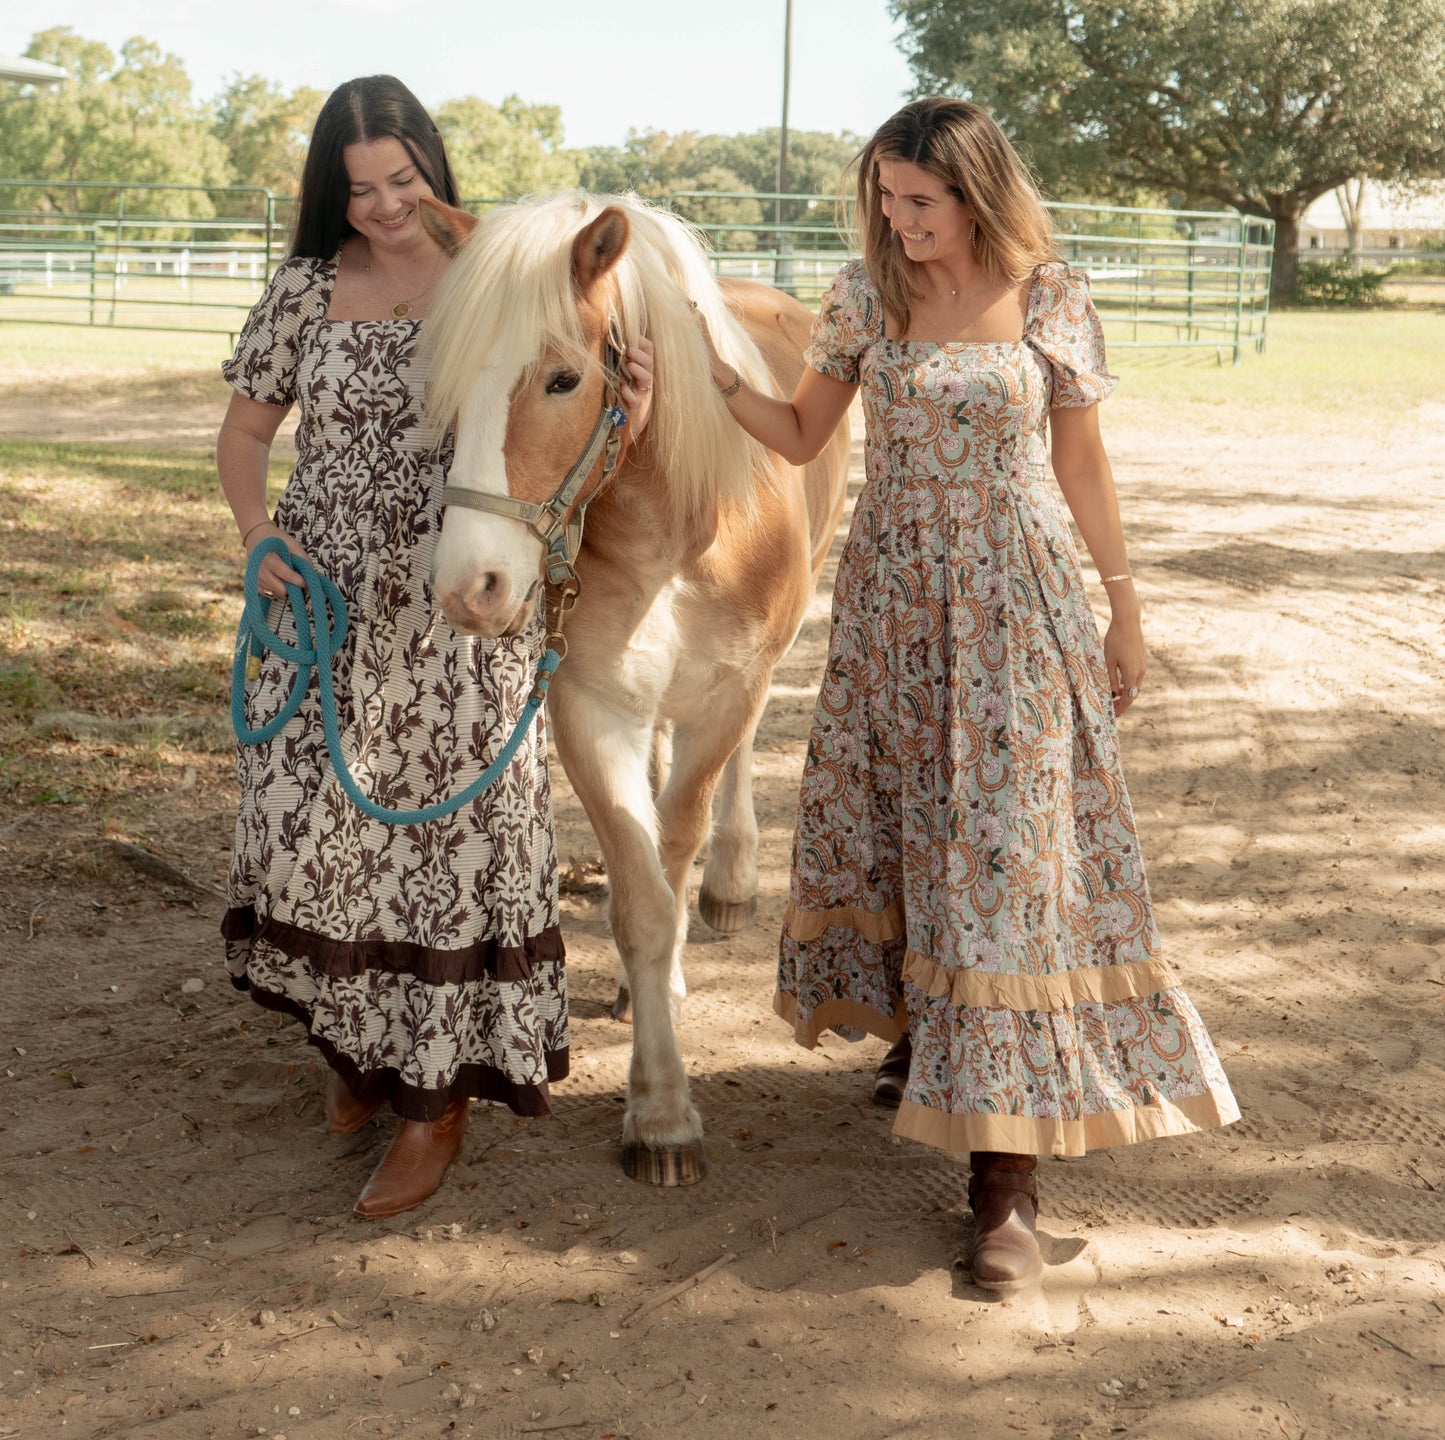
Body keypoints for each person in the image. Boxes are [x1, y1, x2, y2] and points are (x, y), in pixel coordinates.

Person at [699, 96, 1237, 1291]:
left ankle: (1005, 1189)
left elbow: (1081, 457)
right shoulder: (862, 292)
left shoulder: (1046, 292)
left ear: (976, 191)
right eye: (885, 201)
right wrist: (695, 370)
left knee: (1007, 861)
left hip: (1015, 603)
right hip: (893, 604)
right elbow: (795, 433)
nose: (900, 223)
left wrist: (1124, 604)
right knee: (912, 835)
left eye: (921, 202)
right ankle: (928, 1041)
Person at [215, 75, 653, 1220]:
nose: (382, 206)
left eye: (400, 180)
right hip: (319, 607)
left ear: (432, 167)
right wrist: (258, 533)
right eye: (357, 189)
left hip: (452, 602)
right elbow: (246, 429)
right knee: (318, 839)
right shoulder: (308, 288)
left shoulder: (492, 277)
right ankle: (355, 1048)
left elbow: (567, 409)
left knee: (445, 863)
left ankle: (433, 1106)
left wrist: (633, 416)